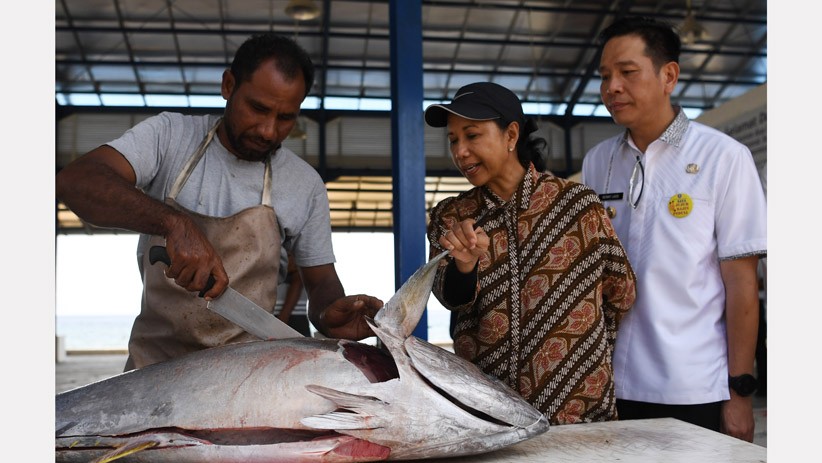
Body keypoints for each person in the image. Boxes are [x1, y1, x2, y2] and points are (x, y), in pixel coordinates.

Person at [55, 33, 383, 371]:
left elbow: (322, 281)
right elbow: (76, 181)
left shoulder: (304, 185)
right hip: (151, 370)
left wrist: (330, 314)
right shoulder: (169, 137)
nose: (269, 131)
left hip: (247, 377)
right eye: (258, 108)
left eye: (285, 118)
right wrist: (173, 223)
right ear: (228, 85)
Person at [580, 16, 767, 442]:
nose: (612, 87)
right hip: (608, 384)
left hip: (692, 384)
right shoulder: (597, 162)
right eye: (605, 76)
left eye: (627, 72)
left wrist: (739, 392)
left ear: (669, 76)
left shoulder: (723, 157)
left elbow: (741, 286)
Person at [424, 82, 637, 425]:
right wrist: (465, 268)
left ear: (511, 135)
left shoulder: (577, 206)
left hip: (576, 415)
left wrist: (580, 355)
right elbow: (448, 297)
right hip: (489, 415)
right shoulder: (451, 217)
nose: (460, 151)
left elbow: (621, 293)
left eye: (472, 135)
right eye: (453, 140)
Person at [276, 252, 311, 337]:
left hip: (293, 319)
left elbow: (296, 287)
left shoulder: (299, 275)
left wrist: (281, 320)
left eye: (290, 256)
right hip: (278, 318)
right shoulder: (276, 274)